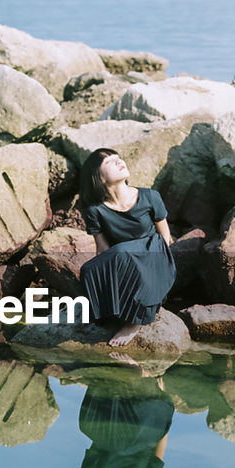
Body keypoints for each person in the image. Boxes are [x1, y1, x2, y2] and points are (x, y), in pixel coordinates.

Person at [77, 148, 176, 347]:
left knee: (123, 252)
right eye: (110, 162)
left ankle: (136, 321)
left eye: (118, 158)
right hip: (124, 261)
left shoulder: (150, 196)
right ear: (99, 178)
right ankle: (114, 310)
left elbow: (166, 237)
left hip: (155, 254)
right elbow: (103, 250)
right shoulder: (95, 210)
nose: (119, 161)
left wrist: (153, 261)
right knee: (88, 269)